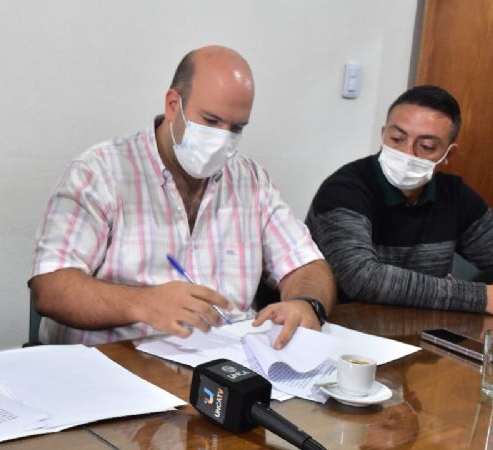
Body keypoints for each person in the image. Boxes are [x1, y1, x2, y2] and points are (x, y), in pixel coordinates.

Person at [29, 45, 336, 349]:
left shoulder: (251, 180)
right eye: (211, 121)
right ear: (173, 105)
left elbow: (307, 265)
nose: (222, 140)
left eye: (236, 128)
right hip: (115, 369)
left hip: (224, 366)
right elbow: (52, 288)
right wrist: (144, 303)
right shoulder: (101, 172)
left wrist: (307, 304)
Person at [306, 85, 493, 312]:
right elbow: (362, 279)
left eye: (426, 146)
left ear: (448, 155)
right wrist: (480, 297)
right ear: (383, 134)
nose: (407, 153)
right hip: (345, 331)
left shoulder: (455, 195)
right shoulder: (343, 190)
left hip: (423, 331)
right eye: (397, 139)